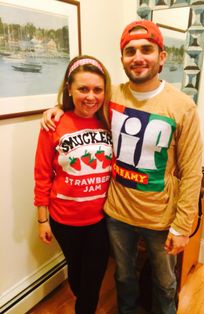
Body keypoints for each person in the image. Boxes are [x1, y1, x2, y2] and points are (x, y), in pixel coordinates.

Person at [40, 20, 203, 314]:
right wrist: (56, 108)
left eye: (146, 49)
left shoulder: (182, 106)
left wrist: (183, 225)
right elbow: (83, 101)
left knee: (165, 283)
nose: (138, 57)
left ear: (161, 56)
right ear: (122, 59)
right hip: (117, 213)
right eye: (130, 51)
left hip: (160, 216)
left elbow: (192, 170)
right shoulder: (111, 95)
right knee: (123, 277)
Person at [34, 55, 113, 314]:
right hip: (64, 220)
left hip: (101, 220)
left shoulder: (110, 120)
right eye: (83, 88)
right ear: (69, 88)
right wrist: (42, 219)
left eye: (97, 89)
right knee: (78, 275)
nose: (91, 96)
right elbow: (42, 174)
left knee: (91, 283)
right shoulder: (53, 124)